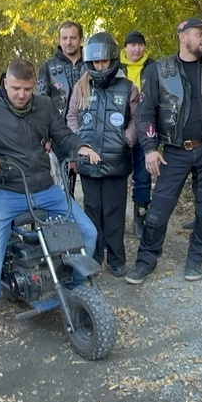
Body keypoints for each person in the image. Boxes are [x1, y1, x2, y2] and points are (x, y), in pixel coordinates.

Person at [0, 58, 101, 336]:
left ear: (34, 87)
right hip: (3, 191)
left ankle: (74, 292)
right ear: (5, 82)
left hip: (44, 189)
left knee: (89, 233)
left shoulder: (44, 105)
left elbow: (62, 134)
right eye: (16, 87)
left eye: (27, 89)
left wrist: (81, 146)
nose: (21, 94)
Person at [125, 17, 202, 285]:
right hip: (174, 152)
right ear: (182, 36)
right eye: (199, 33)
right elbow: (145, 115)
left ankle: (196, 259)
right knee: (158, 211)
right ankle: (145, 261)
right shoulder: (158, 71)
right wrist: (150, 149)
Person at [67, 32, 143, 276]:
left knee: (114, 212)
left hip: (116, 163)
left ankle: (117, 259)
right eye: (96, 62)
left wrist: (126, 139)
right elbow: (71, 118)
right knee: (92, 211)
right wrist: (79, 144)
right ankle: (95, 257)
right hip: (87, 164)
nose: (100, 66)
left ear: (112, 60)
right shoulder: (80, 87)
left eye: (104, 61)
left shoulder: (128, 88)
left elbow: (137, 119)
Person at [39, 20, 87, 194]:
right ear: (59, 40)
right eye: (64, 38)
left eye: (73, 38)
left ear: (80, 39)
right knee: (62, 184)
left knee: (91, 182)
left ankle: (89, 219)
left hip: (87, 130)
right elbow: (41, 103)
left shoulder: (92, 63)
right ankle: (65, 216)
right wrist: (45, 135)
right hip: (58, 132)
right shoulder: (48, 67)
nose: (68, 42)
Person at [121, 30, 155, 237]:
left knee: (142, 176)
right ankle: (115, 219)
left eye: (140, 45)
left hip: (146, 127)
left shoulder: (153, 67)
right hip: (121, 128)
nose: (137, 49)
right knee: (118, 175)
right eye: (132, 45)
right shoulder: (116, 67)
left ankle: (140, 218)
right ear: (125, 47)